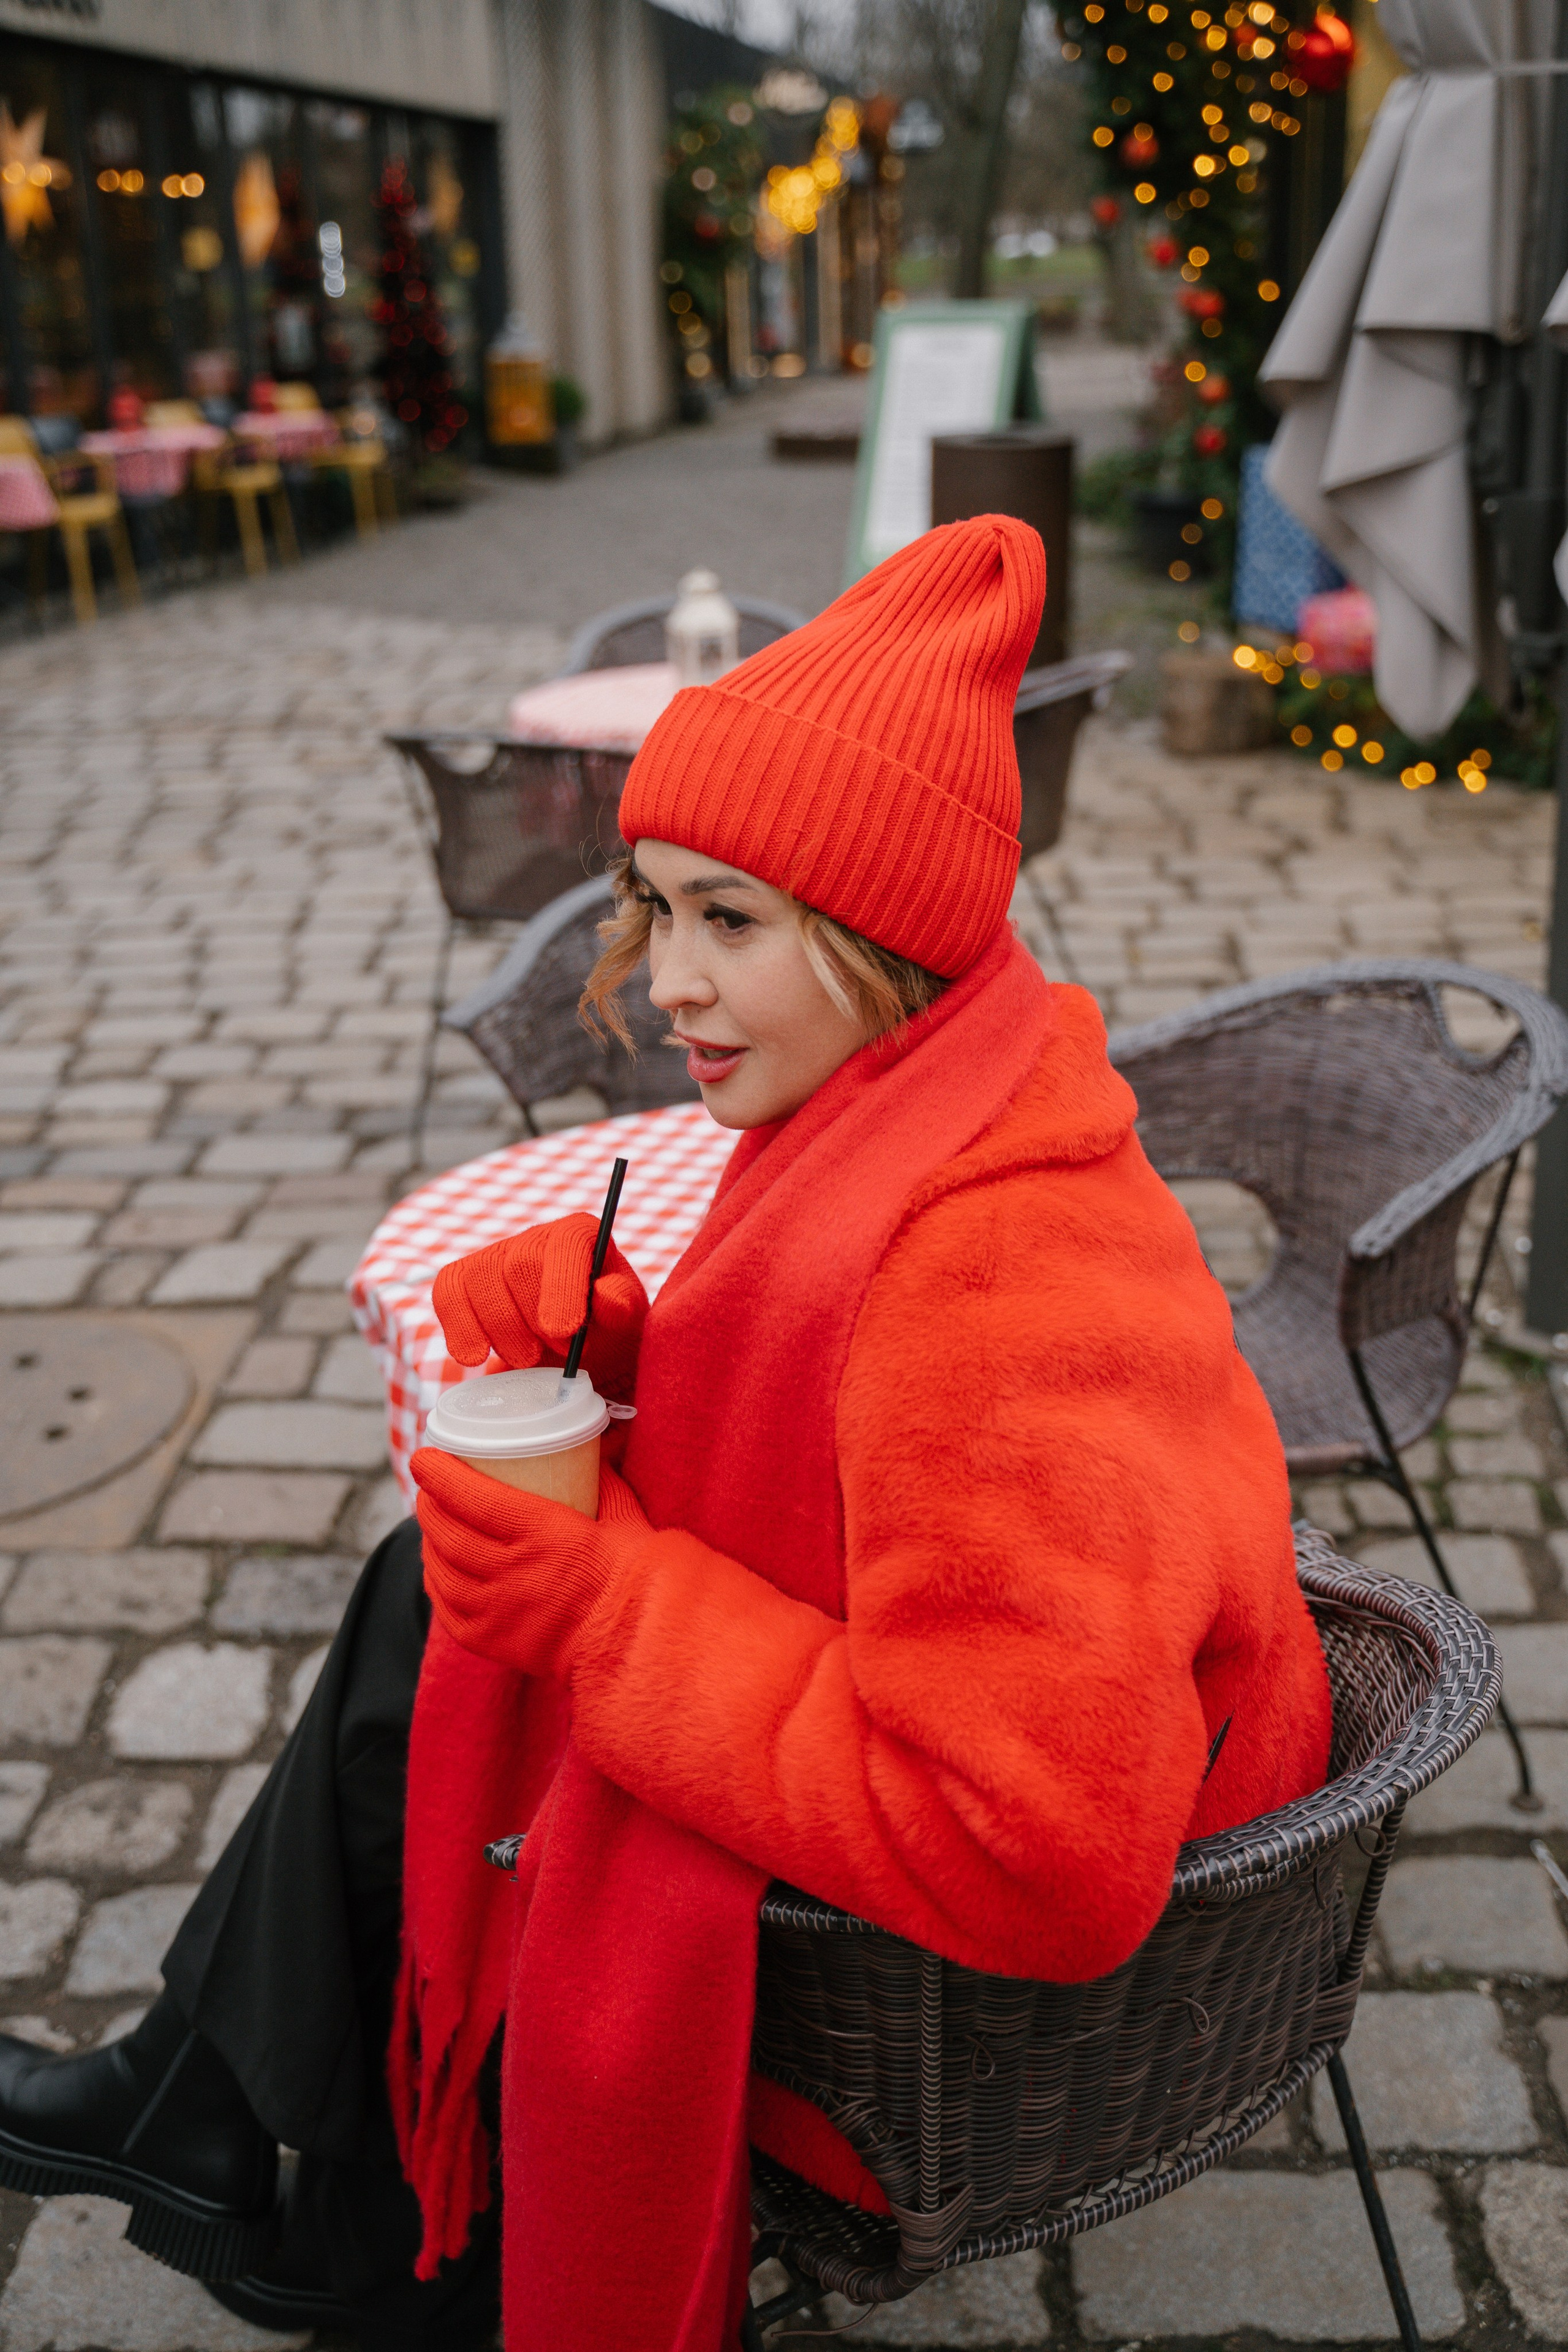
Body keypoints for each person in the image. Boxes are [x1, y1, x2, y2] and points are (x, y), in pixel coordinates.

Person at [0, 517, 1332, 2351]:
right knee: (432, 1592)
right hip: (955, 1737)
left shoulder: (996, 1278)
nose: (665, 984)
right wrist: (620, 1360)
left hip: (958, 2000)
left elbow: (1033, 1855)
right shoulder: (945, 1089)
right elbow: (822, 1434)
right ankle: (215, 2111)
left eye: (730, 922)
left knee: (492, 1638)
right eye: (654, 907)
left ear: (882, 928)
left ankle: (351, 2203)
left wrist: (602, 1600)